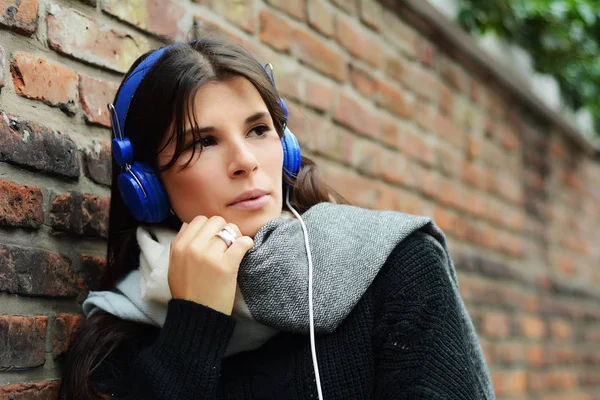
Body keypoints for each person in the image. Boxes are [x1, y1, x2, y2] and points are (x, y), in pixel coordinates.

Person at [58, 36, 495, 400]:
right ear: (147, 185)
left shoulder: (397, 267)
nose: (245, 161)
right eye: (203, 142)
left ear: (286, 146)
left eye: (258, 130)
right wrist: (193, 323)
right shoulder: (114, 338)